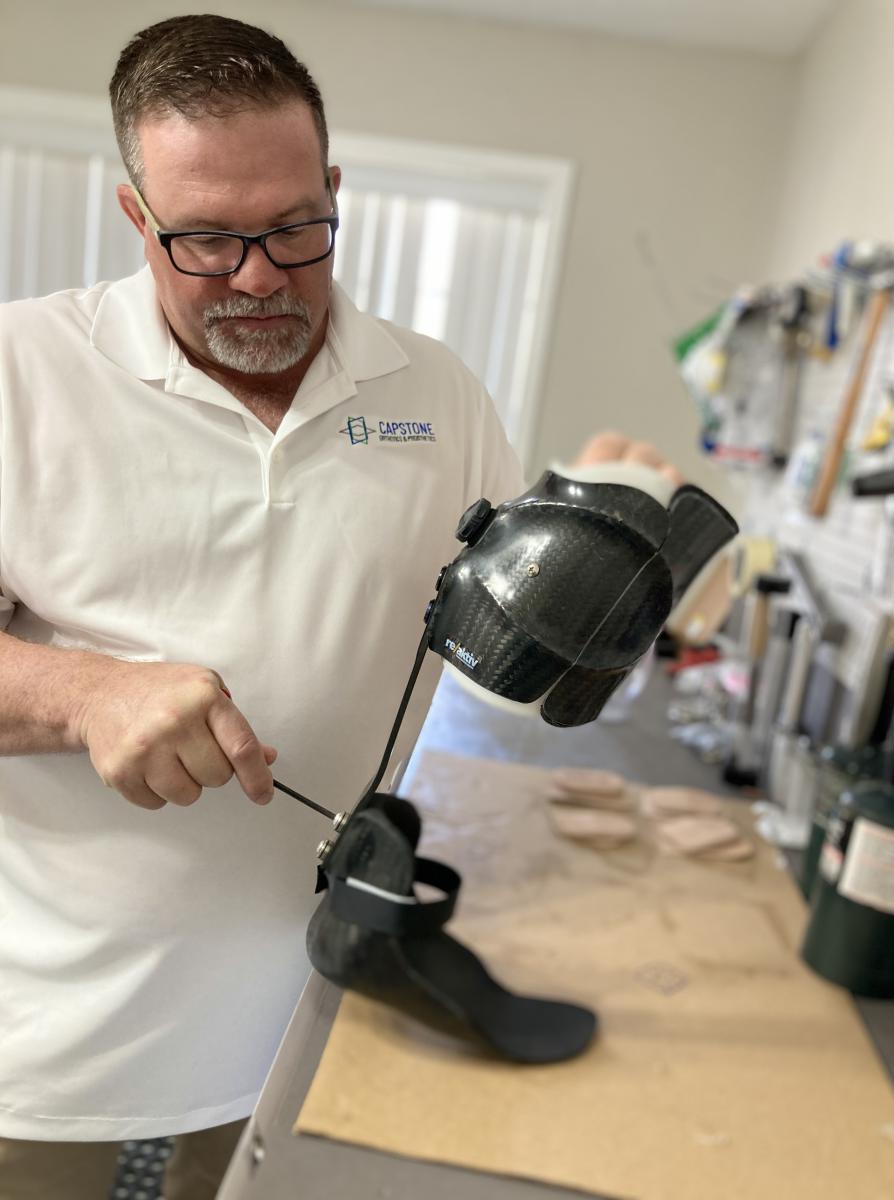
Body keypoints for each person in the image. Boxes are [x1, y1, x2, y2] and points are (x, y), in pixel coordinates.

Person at [0, 14, 682, 1199]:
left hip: (309, 996)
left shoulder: (437, 395)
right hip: (53, 1028)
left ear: (336, 189)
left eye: (296, 228)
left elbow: (523, 675)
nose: (259, 275)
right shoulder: (20, 374)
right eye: (206, 239)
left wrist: (614, 559)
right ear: (133, 216)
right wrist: (83, 690)